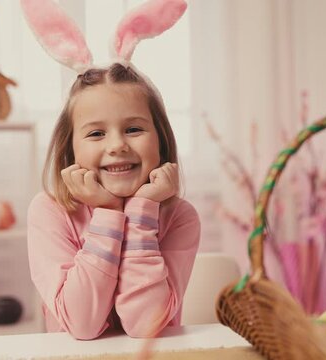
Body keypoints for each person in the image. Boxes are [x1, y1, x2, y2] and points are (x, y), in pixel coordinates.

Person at [23, 0, 199, 340]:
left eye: (133, 129)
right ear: (69, 147)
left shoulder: (179, 216)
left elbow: (145, 325)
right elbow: (82, 324)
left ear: (160, 140)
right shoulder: (50, 212)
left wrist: (142, 211)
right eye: (96, 133)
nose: (117, 145)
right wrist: (107, 212)